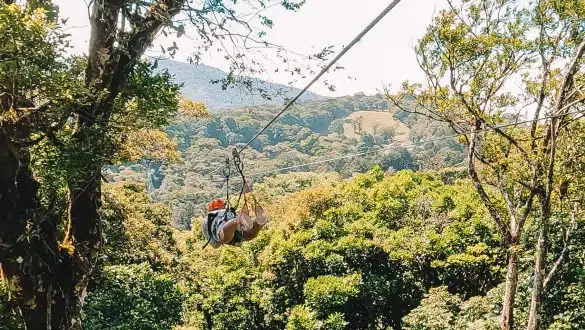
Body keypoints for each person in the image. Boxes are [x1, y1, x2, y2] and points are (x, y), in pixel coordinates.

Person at [201, 197, 268, 248]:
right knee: (250, 234)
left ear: (210, 209)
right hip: (236, 230)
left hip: (226, 229)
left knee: (224, 237)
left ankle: (236, 221)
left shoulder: (207, 218)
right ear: (223, 206)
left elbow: (215, 245)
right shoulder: (227, 212)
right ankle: (258, 220)